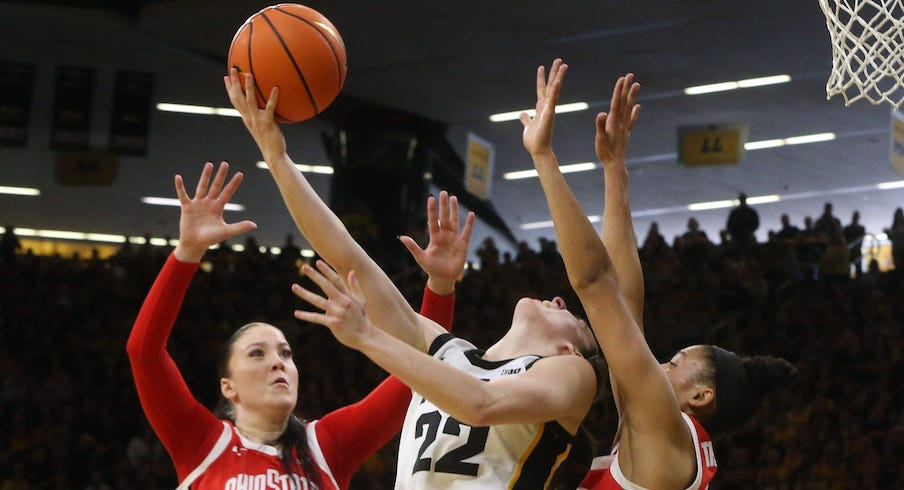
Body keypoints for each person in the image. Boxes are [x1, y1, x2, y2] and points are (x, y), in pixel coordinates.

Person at [225, 68, 603, 489]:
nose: (561, 301)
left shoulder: (573, 374)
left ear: (569, 347)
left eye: (578, 319)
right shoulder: (447, 352)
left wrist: (368, 336)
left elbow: (481, 404)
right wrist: (276, 156)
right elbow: (348, 255)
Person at [517, 59, 797, 490]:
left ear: (700, 397)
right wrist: (615, 170)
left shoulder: (665, 430)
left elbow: (595, 286)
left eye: (673, 362)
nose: (657, 363)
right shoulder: (666, 440)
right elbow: (626, 304)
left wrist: (544, 158)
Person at [126, 161, 468, 489]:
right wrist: (187, 251)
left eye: (286, 354)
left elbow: (420, 373)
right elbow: (143, 352)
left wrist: (440, 286)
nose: (279, 362)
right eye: (257, 354)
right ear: (228, 388)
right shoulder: (201, 441)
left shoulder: (326, 445)